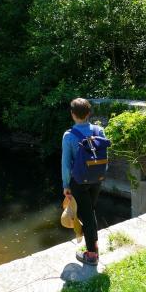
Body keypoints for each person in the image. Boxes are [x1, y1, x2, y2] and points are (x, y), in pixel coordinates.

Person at [61, 98, 105, 266]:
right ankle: (93, 245)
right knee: (89, 212)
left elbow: (66, 164)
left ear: (73, 114)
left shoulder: (69, 135)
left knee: (85, 215)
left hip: (78, 181)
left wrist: (66, 185)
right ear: (88, 113)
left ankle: (92, 255)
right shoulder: (99, 130)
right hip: (97, 178)